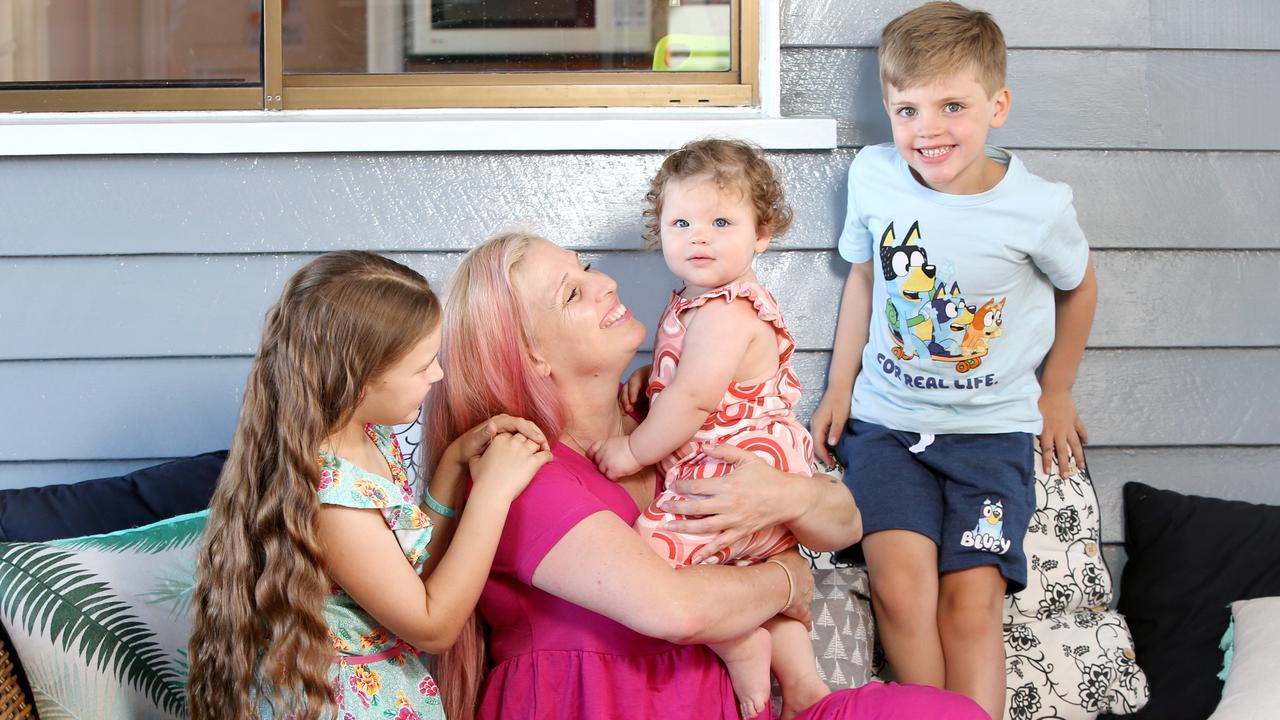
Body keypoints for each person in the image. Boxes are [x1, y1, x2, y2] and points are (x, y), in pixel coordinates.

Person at [425, 230, 991, 720]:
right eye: (572, 292)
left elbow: (845, 522)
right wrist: (789, 578)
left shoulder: (673, 416)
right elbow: (675, 609)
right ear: (531, 355)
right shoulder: (523, 472)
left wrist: (783, 495)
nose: (607, 284)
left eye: (588, 268)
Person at [809, 3, 1099, 718]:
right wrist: (839, 384)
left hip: (990, 435)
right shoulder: (874, 177)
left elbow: (1081, 286)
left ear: (997, 105)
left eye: (952, 106)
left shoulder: (1036, 206)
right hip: (887, 428)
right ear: (887, 107)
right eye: (907, 109)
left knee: (971, 604)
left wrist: (1056, 391)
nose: (927, 130)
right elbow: (867, 278)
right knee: (901, 590)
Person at [186, 251, 552, 720]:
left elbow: (408, 568)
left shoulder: (366, 435)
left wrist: (454, 468)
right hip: (347, 703)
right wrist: (493, 496)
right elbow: (432, 625)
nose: (437, 376)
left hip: (388, 687)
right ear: (359, 381)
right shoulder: (333, 499)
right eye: (423, 367)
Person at [588, 138, 828, 718]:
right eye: (682, 222)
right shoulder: (705, 306)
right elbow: (694, 377)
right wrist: (657, 371)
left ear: (761, 233)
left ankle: (740, 641)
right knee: (744, 568)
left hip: (731, 466)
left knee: (651, 560)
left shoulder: (725, 310)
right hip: (758, 469)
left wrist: (631, 449)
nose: (699, 235)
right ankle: (805, 686)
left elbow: (695, 399)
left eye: (721, 221)